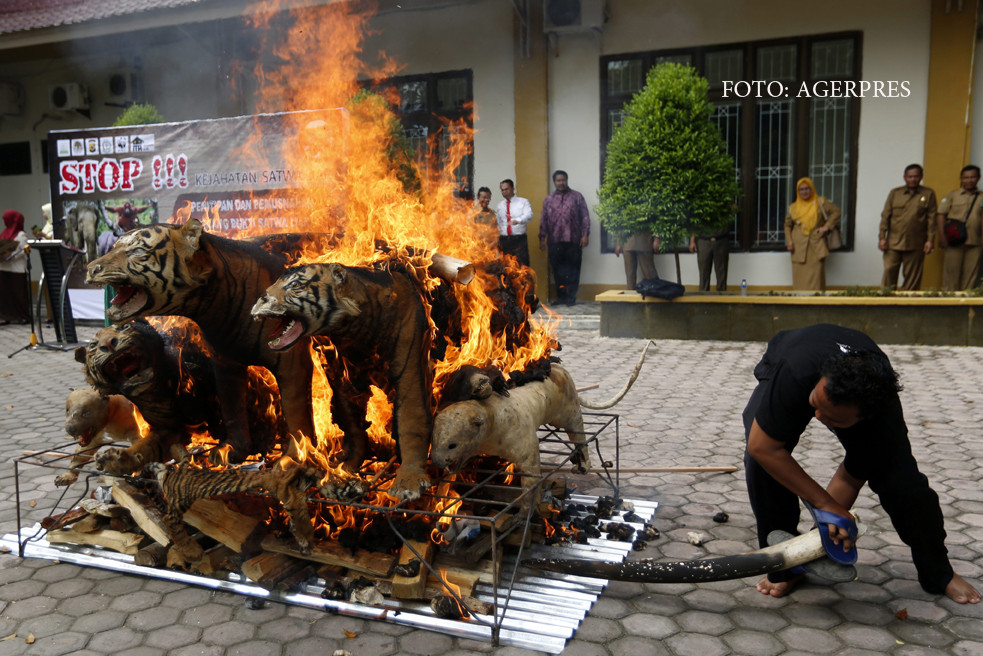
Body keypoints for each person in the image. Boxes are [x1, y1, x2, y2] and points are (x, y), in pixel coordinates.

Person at [743, 324, 980, 604]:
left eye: (833, 419)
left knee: (905, 487)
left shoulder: (881, 420)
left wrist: (829, 526)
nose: (817, 416)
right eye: (815, 404)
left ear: (862, 418)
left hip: (857, 398)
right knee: (762, 464)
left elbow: (850, 478)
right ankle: (784, 567)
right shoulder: (796, 372)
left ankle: (939, 573)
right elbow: (763, 447)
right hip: (794, 357)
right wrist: (826, 505)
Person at [878, 165, 937, 291]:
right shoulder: (895, 193)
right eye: (910, 176)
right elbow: (885, 217)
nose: (913, 179)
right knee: (889, 270)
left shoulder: (928, 194)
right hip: (893, 242)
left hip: (916, 242)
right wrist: (882, 237)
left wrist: (930, 240)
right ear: (905, 177)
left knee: (912, 277)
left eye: (916, 176)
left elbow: (932, 219)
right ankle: (886, 302)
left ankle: (909, 306)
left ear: (921, 177)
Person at [539, 170, 590, 305]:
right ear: (554, 182)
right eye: (558, 180)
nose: (561, 183)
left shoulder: (577, 197)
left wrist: (585, 235)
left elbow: (585, 217)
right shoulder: (549, 199)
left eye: (563, 180)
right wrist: (542, 238)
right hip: (555, 241)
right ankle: (561, 297)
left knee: (573, 269)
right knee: (558, 270)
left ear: (567, 180)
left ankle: (571, 296)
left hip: (573, 240)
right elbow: (544, 220)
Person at [784, 178, 841, 291]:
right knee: (799, 281)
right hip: (798, 247)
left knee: (816, 281)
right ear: (798, 191)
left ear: (812, 189)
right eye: (801, 189)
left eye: (807, 188)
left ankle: (816, 306)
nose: (804, 192)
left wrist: (826, 227)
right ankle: (799, 306)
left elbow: (836, 212)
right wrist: (789, 240)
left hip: (816, 246)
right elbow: (787, 225)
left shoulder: (820, 202)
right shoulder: (793, 208)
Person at [936, 165, 982, 291]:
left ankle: (965, 307)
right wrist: (942, 236)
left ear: (978, 178)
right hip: (954, 241)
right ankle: (948, 306)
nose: (969, 180)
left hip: (975, 242)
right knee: (951, 276)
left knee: (971, 278)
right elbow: (941, 215)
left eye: (973, 177)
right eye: (966, 177)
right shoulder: (952, 195)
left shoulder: (982, 196)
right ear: (961, 179)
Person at [0, 210, 31, 325]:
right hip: (4, 268)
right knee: (5, 294)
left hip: (16, 269)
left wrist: (9, 256)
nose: (4, 221)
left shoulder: (21, 235)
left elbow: (24, 250)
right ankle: (6, 316)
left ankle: (23, 316)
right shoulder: (4, 233)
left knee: (19, 294)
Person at [495, 179, 532, 266]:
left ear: (512, 188)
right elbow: (499, 222)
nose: (504, 192)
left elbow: (528, 215)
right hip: (504, 240)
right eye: (502, 190)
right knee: (505, 266)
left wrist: (518, 220)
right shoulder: (500, 205)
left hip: (518, 240)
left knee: (521, 266)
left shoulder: (523, 202)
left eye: (506, 189)